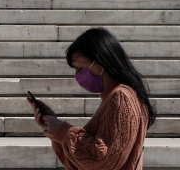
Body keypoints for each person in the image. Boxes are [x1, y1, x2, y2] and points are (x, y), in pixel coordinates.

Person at [30, 27, 156, 170]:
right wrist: (55, 130)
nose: (77, 76)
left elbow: (105, 160)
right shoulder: (117, 96)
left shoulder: (121, 97)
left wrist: (63, 131)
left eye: (80, 69)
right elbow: (82, 162)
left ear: (100, 63)